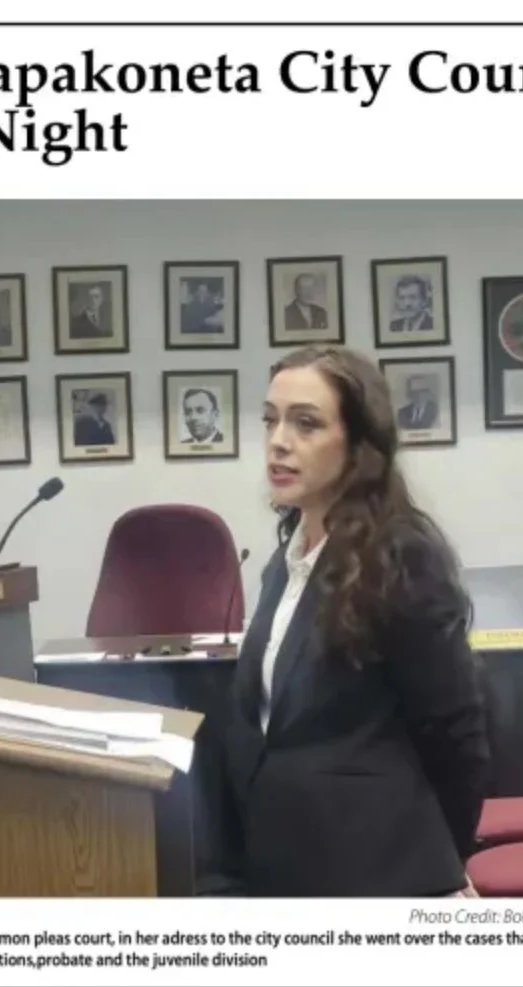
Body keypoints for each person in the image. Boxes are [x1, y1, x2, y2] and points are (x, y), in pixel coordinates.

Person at [194, 344, 490, 897]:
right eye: (270, 420)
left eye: (306, 423)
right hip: (286, 866)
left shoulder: (401, 554)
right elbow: (264, 727)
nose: (278, 441)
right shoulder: (288, 562)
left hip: (380, 874)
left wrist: (439, 861)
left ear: (358, 446)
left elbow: (456, 732)